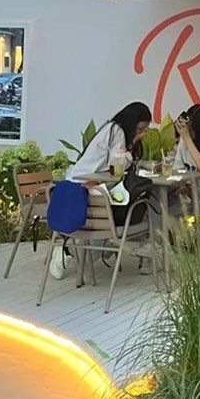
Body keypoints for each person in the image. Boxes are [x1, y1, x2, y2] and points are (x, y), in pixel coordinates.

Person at [51, 101, 153, 279]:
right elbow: (118, 165)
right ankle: (72, 252)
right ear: (132, 122)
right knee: (134, 206)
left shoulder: (111, 128)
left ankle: (72, 251)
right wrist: (134, 142)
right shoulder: (118, 132)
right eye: (140, 128)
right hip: (86, 186)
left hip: (80, 184)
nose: (142, 132)